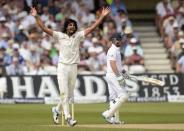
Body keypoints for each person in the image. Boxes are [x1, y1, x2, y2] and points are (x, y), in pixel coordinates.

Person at [30, 7, 111, 126]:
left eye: (73, 25)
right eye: (69, 25)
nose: (71, 27)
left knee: (68, 95)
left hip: (73, 67)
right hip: (62, 67)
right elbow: (43, 28)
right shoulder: (59, 35)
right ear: (66, 27)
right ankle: (68, 118)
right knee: (64, 93)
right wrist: (36, 16)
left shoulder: (78, 36)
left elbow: (93, 28)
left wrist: (102, 17)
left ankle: (56, 109)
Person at [102, 33, 129, 124]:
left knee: (113, 98)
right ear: (113, 40)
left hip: (112, 75)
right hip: (113, 75)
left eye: (120, 39)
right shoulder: (113, 50)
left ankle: (114, 119)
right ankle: (108, 113)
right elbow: (112, 64)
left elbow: (118, 65)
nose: (120, 41)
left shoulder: (116, 50)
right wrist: (119, 76)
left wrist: (124, 72)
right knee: (124, 96)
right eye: (118, 39)